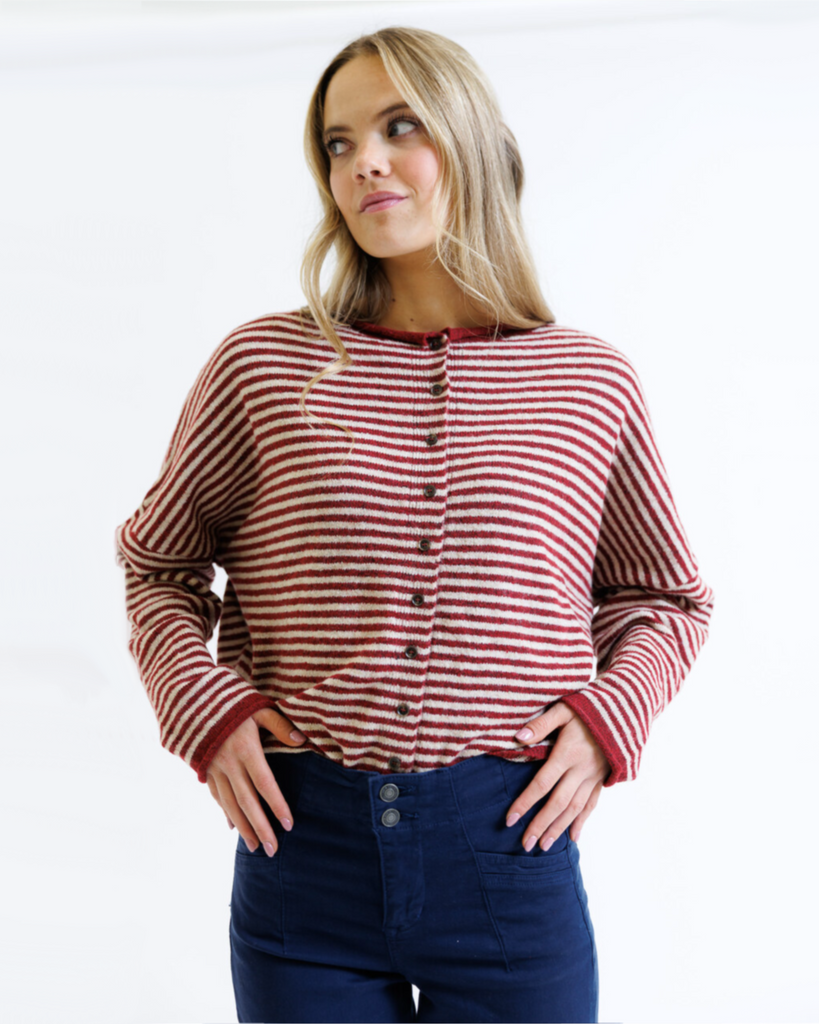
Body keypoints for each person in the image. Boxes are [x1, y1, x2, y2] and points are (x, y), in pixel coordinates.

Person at [115, 26, 714, 1024]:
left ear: (471, 140)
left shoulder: (587, 381)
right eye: (338, 144)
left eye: (400, 127)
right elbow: (159, 565)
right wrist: (206, 711)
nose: (366, 163)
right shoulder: (264, 367)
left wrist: (611, 720)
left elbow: (666, 594)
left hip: (511, 851)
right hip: (300, 848)